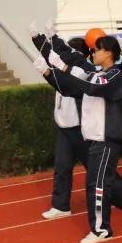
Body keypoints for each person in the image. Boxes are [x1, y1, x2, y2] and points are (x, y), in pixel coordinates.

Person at [34, 33, 122, 243]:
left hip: (107, 138)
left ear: (108, 53)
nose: (94, 53)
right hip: (95, 138)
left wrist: (64, 68)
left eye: (97, 49)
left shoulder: (114, 75)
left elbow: (92, 86)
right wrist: (48, 73)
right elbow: (71, 88)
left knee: (97, 185)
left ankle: (101, 229)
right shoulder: (98, 73)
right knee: (101, 183)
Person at [30, 26, 91, 220]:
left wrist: (50, 68)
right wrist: (37, 37)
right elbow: (49, 53)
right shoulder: (63, 68)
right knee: (62, 167)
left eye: (67, 51)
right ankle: (61, 205)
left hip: (80, 129)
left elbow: (68, 80)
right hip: (64, 127)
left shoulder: (82, 72)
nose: (61, 55)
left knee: (97, 170)